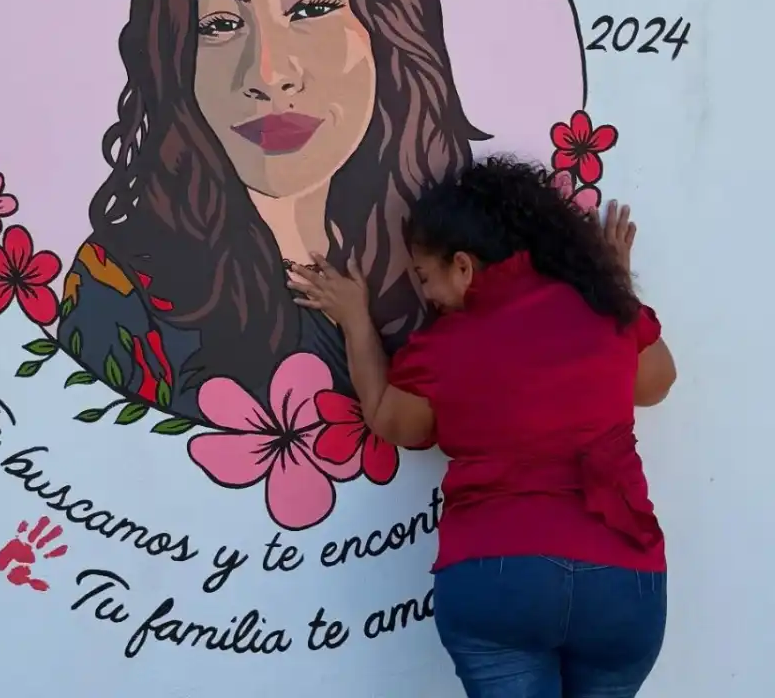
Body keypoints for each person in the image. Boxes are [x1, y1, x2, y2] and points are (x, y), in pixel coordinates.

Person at [54, 0, 495, 420]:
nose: (267, 74)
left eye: (310, 8)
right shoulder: (119, 290)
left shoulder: (455, 267)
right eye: (218, 23)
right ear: (174, 57)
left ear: (387, 25)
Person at [287, 154, 676, 698]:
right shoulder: (603, 307)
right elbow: (655, 383)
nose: (427, 296)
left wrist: (355, 318)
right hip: (622, 580)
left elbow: (389, 420)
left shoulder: (444, 348)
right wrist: (613, 285)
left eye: (426, 277)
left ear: (464, 267)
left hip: (500, 578)